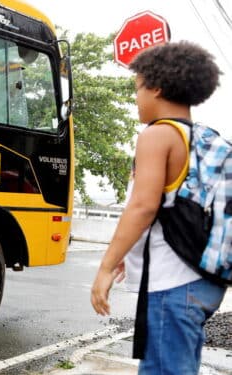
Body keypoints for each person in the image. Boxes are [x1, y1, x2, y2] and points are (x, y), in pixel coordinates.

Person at [90, 41, 226, 375]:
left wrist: (105, 267)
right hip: (205, 281)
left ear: (156, 88)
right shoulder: (202, 136)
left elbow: (143, 207)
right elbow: (173, 210)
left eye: (137, 88)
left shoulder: (158, 134)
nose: (136, 98)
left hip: (172, 284)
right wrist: (128, 249)